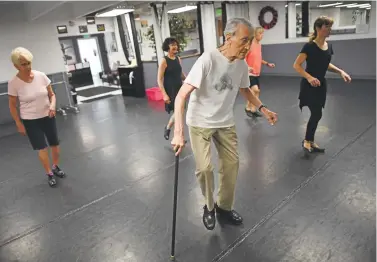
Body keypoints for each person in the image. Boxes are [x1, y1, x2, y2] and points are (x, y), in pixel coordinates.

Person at [171, 18, 278, 230]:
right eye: (244, 41)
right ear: (229, 37)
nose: (247, 47)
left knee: (232, 165)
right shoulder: (208, 60)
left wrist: (263, 109)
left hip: (225, 122)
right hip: (200, 122)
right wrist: (178, 132)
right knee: (204, 169)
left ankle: (224, 208)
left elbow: (245, 89)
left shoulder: (241, 64)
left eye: (250, 42)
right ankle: (209, 207)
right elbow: (181, 96)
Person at [8, 47, 66, 187]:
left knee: (55, 145)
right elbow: (12, 105)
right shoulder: (14, 83)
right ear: (16, 66)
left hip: (48, 115)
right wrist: (19, 123)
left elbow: (52, 95)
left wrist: (52, 106)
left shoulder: (41, 76)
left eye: (28, 63)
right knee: (42, 148)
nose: (27, 66)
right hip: (31, 120)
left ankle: (55, 167)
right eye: (23, 64)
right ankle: (49, 173)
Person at [293, 16, 351, 154]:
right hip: (309, 84)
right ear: (318, 28)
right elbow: (296, 65)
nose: (330, 29)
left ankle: (309, 141)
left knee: (317, 114)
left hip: (321, 84)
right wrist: (309, 77)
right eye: (327, 27)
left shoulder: (329, 46)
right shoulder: (309, 46)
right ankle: (307, 141)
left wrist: (340, 71)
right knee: (316, 113)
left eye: (330, 26)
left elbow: (326, 64)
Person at [157, 37, 186, 140]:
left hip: (179, 88)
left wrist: (188, 81)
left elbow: (181, 74)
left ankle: (170, 129)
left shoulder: (178, 59)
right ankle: (175, 134)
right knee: (178, 112)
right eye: (172, 45)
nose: (175, 46)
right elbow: (159, 80)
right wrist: (164, 94)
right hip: (171, 89)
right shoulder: (164, 61)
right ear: (167, 47)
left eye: (176, 44)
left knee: (179, 112)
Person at [244, 26, 275, 117]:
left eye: (262, 34)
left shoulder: (259, 45)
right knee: (255, 90)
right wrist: (247, 67)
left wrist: (267, 64)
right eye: (260, 34)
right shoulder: (250, 45)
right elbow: (243, 58)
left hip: (257, 72)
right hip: (249, 72)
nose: (262, 36)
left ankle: (252, 110)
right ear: (254, 34)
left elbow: (258, 59)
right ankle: (248, 108)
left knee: (256, 92)